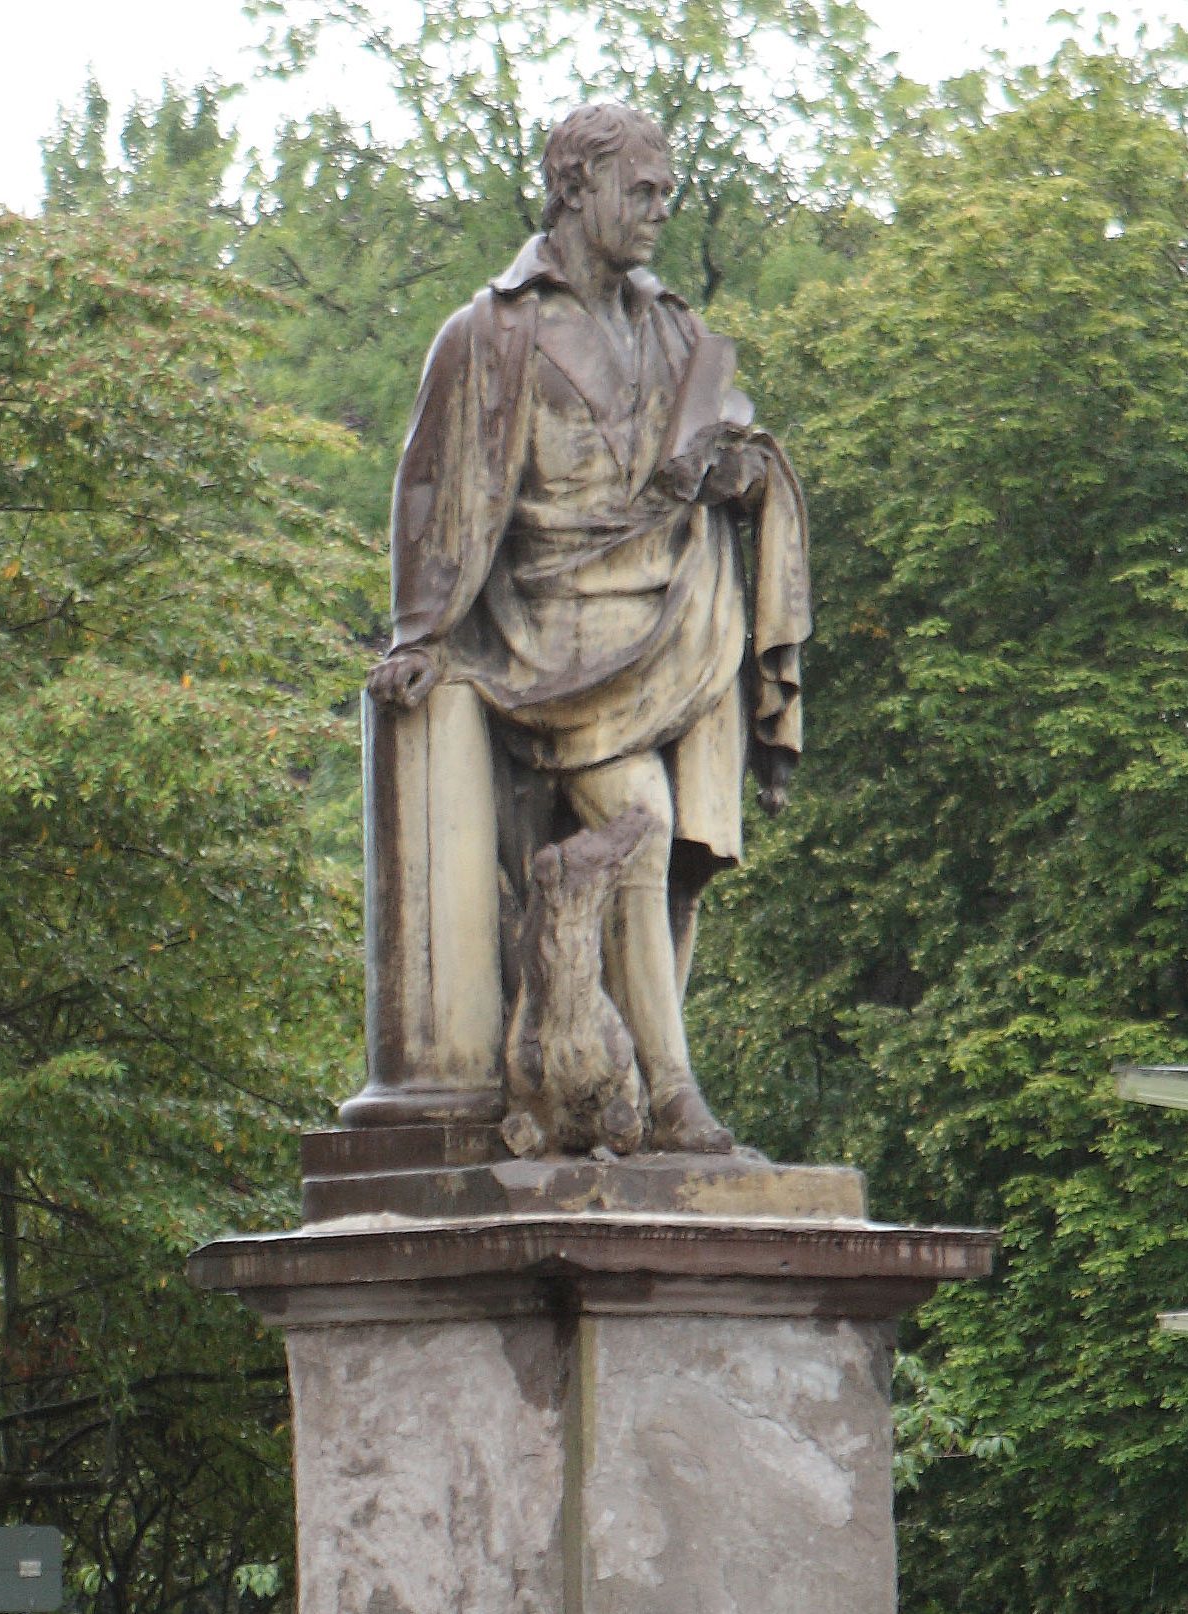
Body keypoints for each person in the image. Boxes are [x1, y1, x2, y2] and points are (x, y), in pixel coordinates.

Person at [355, 103, 808, 1152]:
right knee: (638, 827)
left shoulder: (675, 329)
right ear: (574, 187)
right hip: (550, 634)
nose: (660, 209)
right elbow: (432, 495)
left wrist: (738, 475)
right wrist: (419, 634)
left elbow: (716, 445)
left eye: (666, 192)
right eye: (641, 190)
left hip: (681, 617)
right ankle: (675, 1097)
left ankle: (617, 1083)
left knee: (680, 853)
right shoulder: (493, 332)